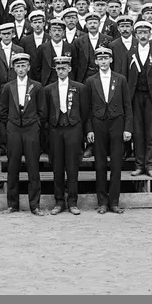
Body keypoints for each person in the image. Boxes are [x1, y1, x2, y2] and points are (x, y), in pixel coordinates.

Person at [85, 45, 132, 213]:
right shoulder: (91, 81)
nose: (103, 61)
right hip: (98, 125)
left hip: (117, 124)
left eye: (106, 58)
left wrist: (127, 128)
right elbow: (87, 109)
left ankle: (114, 202)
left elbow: (127, 106)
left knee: (117, 164)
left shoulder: (120, 79)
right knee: (100, 165)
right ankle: (102, 202)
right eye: (100, 59)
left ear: (111, 60)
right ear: (96, 61)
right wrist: (89, 130)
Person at [0, 52, 45, 215]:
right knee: (13, 167)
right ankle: (12, 204)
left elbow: (42, 110)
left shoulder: (37, 86)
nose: (21, 69)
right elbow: (3, 111)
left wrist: (35, 124)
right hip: (14, 130)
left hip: (31, 130)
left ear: (29, 67)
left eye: (23, 66)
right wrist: (11, 124)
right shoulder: (8, 87)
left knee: (33, 168)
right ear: (13, 68)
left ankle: (35, 205)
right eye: (17, 66)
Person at [43, 54, 87, 215]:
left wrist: (83, 131)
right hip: (56, 130)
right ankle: (59, 201)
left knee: (73, 166)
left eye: (64, 68)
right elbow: (46, 113)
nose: (61, 71)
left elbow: (84, 111)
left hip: (73, 129)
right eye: (58, 69)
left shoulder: (79, 88)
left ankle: (73, 202)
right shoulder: (48, 89)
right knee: (57, 167)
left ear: (69, 69)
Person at [125, 19, 152, 179]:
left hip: (151, 98)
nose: (143, 35)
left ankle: (150, 166)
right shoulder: (130, 54)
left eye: (145, 33)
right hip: (135, 97)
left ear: (150, 34)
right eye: (140, 33)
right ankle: (139, 165)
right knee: (137, 132)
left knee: (150, 133)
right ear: (136, 35)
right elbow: (126, 78)